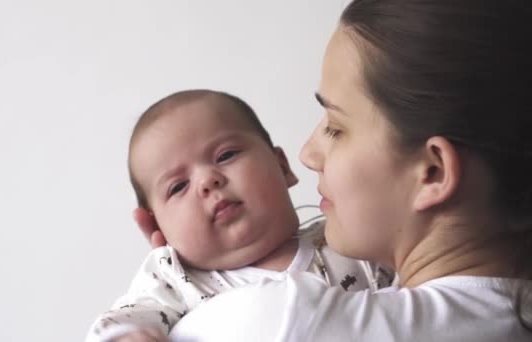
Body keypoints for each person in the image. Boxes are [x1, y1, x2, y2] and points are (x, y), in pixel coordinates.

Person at [134, 1, 532, 341]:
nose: (307, 153)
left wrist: (184, 287)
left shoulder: (277, 322)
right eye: (178, 187)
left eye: (335, 128)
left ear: (432, 172)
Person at [85, 89, 393, 342]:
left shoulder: (349, 239)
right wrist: (130, 337)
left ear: (282, 166)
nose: (208, 181)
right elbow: (124, 318)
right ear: (156, 227)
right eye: (178, 186)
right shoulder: (175, 280)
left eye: (226, 155)